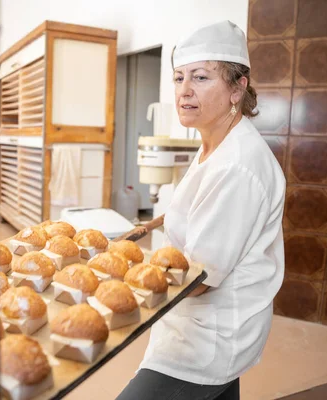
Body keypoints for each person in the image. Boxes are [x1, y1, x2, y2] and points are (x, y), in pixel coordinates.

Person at [117, 20, 286, 400]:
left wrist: (116, 270)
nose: (184, 91)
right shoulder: (216, 142)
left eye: (201, 78)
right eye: (178, 78)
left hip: (208, 337)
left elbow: (200, 277)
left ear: (237, 87)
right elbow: (199, 208)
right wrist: (148, 227)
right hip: (202, 328)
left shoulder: (238, 165)